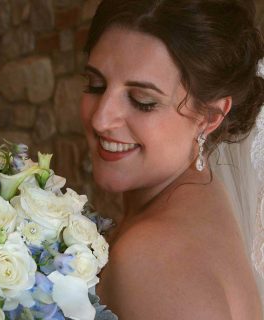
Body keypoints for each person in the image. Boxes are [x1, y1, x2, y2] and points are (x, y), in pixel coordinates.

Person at [80, 0, 264, 319]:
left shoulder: (150, 256)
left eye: (143, 101)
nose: (101, 119)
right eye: (95, 85)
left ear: (210, 116)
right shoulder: (206, 201)